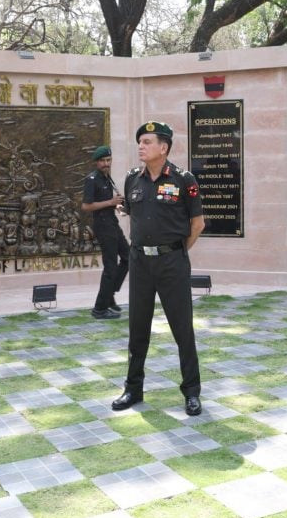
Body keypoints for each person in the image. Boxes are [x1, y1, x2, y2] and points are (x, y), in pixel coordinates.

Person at [110, 121, 205, 417]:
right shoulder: (131, 179)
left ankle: (191, 393)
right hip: (140, 263)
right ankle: (133, 389)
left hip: (171, 263)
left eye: (147, 141)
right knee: (137, 328)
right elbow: (130, 210)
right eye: (140, 141)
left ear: (163, 148)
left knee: (182, 330)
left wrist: (175, 253)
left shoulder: (183, 180)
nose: (141, 146)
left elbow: (197, 224)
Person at [81, 145, 128, 319]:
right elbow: (85, 206)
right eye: (102, 161)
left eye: (108, 160)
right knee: (110, 266)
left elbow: (112, 202)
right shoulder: (92, 179)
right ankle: (100, 308)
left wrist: (120, 206)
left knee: (128, 257)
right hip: (103, 226)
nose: (106, 163)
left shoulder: (107, 178)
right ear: (96, 162)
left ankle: (109, 296)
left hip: (113, 223)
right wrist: (110, 202)